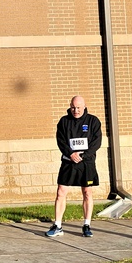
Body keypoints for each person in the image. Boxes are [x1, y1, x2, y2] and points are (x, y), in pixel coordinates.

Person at [46, 95, 103, 238]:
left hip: (86, 163)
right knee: (61, 192)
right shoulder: (64, 121)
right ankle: (58, 225)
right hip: (68, 162)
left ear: (84, 106)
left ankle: (86, 225)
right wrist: (71, 154)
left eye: (78, 107)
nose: (75, 110)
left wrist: (83, 156)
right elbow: (61, 141)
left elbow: (96, 142)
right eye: (73, 107)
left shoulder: (93, 121)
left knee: (87, 193)